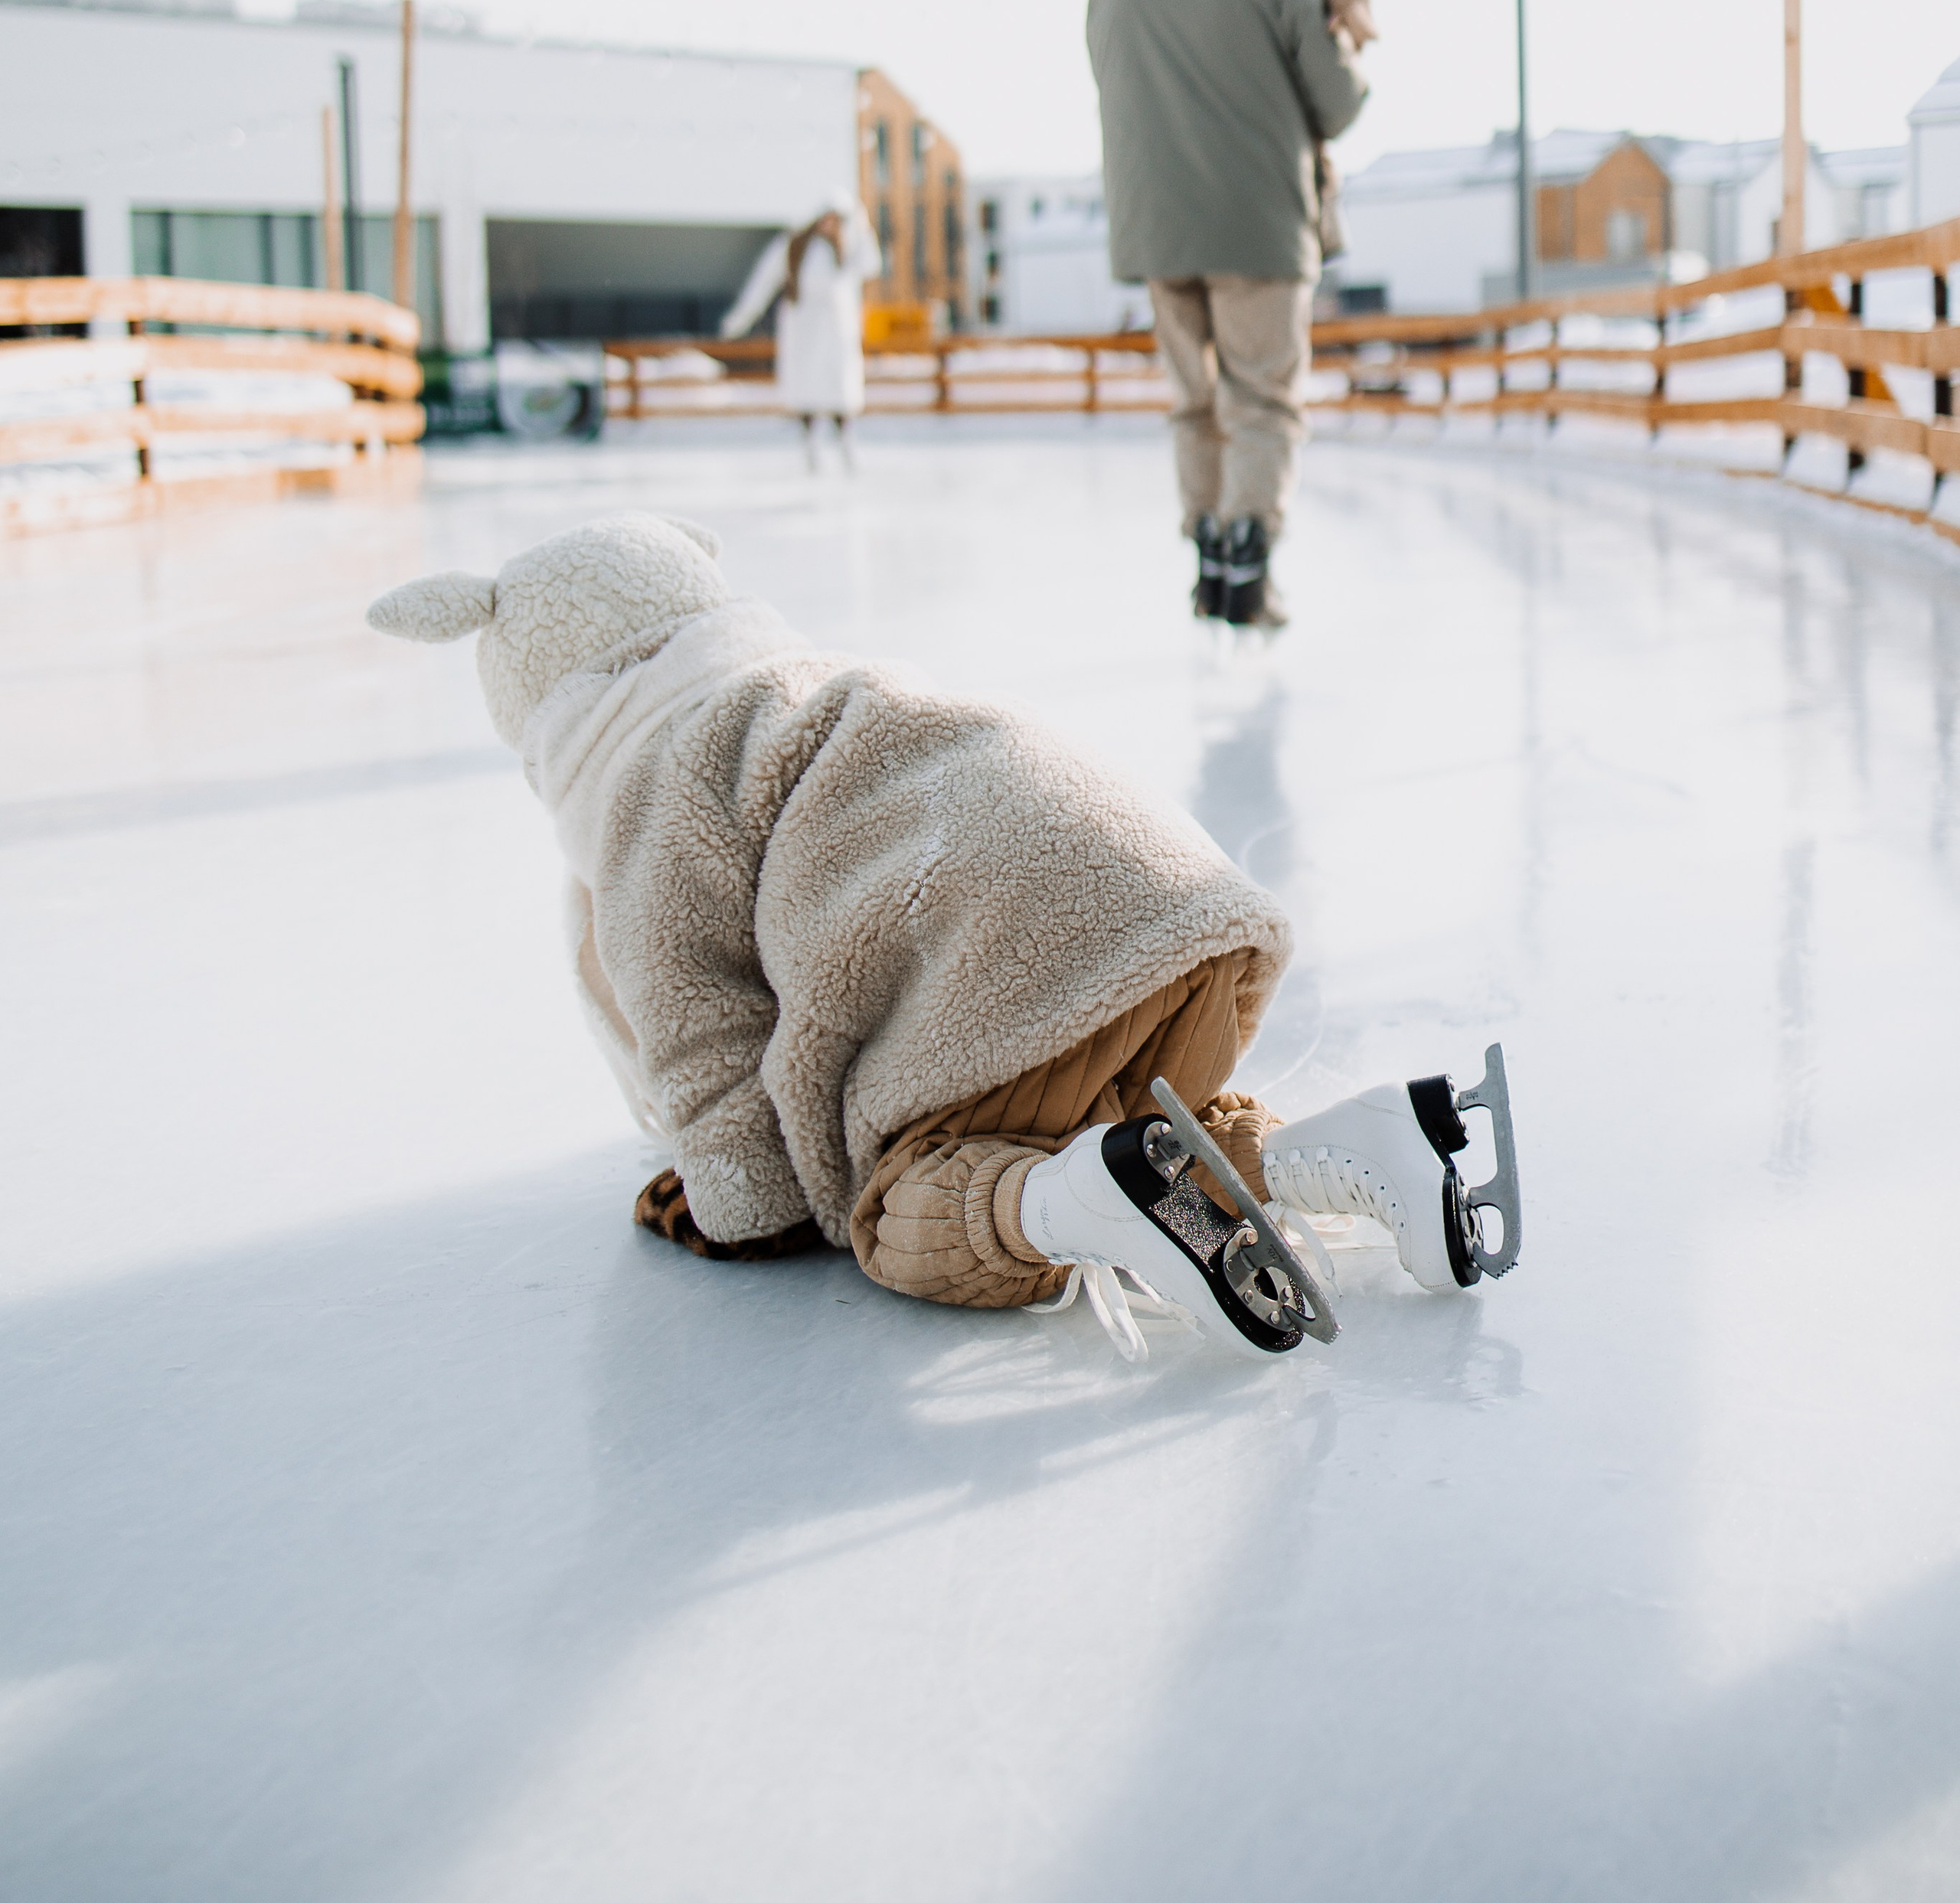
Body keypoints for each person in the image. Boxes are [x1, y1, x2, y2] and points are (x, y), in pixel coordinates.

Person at [366, 512, 1521, 1366]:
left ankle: (1086, 1203)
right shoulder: (811, 684)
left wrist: (739, 1205)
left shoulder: (645, 792)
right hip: (1185, 920)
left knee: (912, 1203)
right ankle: (1367, 1151)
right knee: (1153, 1124)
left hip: (1020, 970)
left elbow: (694, 1025)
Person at [1086, 0, 1369, 629]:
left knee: (1194, 400)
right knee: (1262, 400)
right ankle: (1249, 562)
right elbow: (1338, 103)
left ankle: (1208, 557)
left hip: (1154, 232)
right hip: (1259, 224)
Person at [722, 190, 883, 467]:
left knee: (839, 392)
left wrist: (862, 225)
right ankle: (811, 448)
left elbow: (872, 265)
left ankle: (846, 446)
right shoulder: (794, 246)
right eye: (827, 217)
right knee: (809, 391)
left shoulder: (849, 246)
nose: (830, 224)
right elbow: (762, 282)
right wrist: (740, 319)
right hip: (804, 330)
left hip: (836, 332)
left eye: (838, 219)